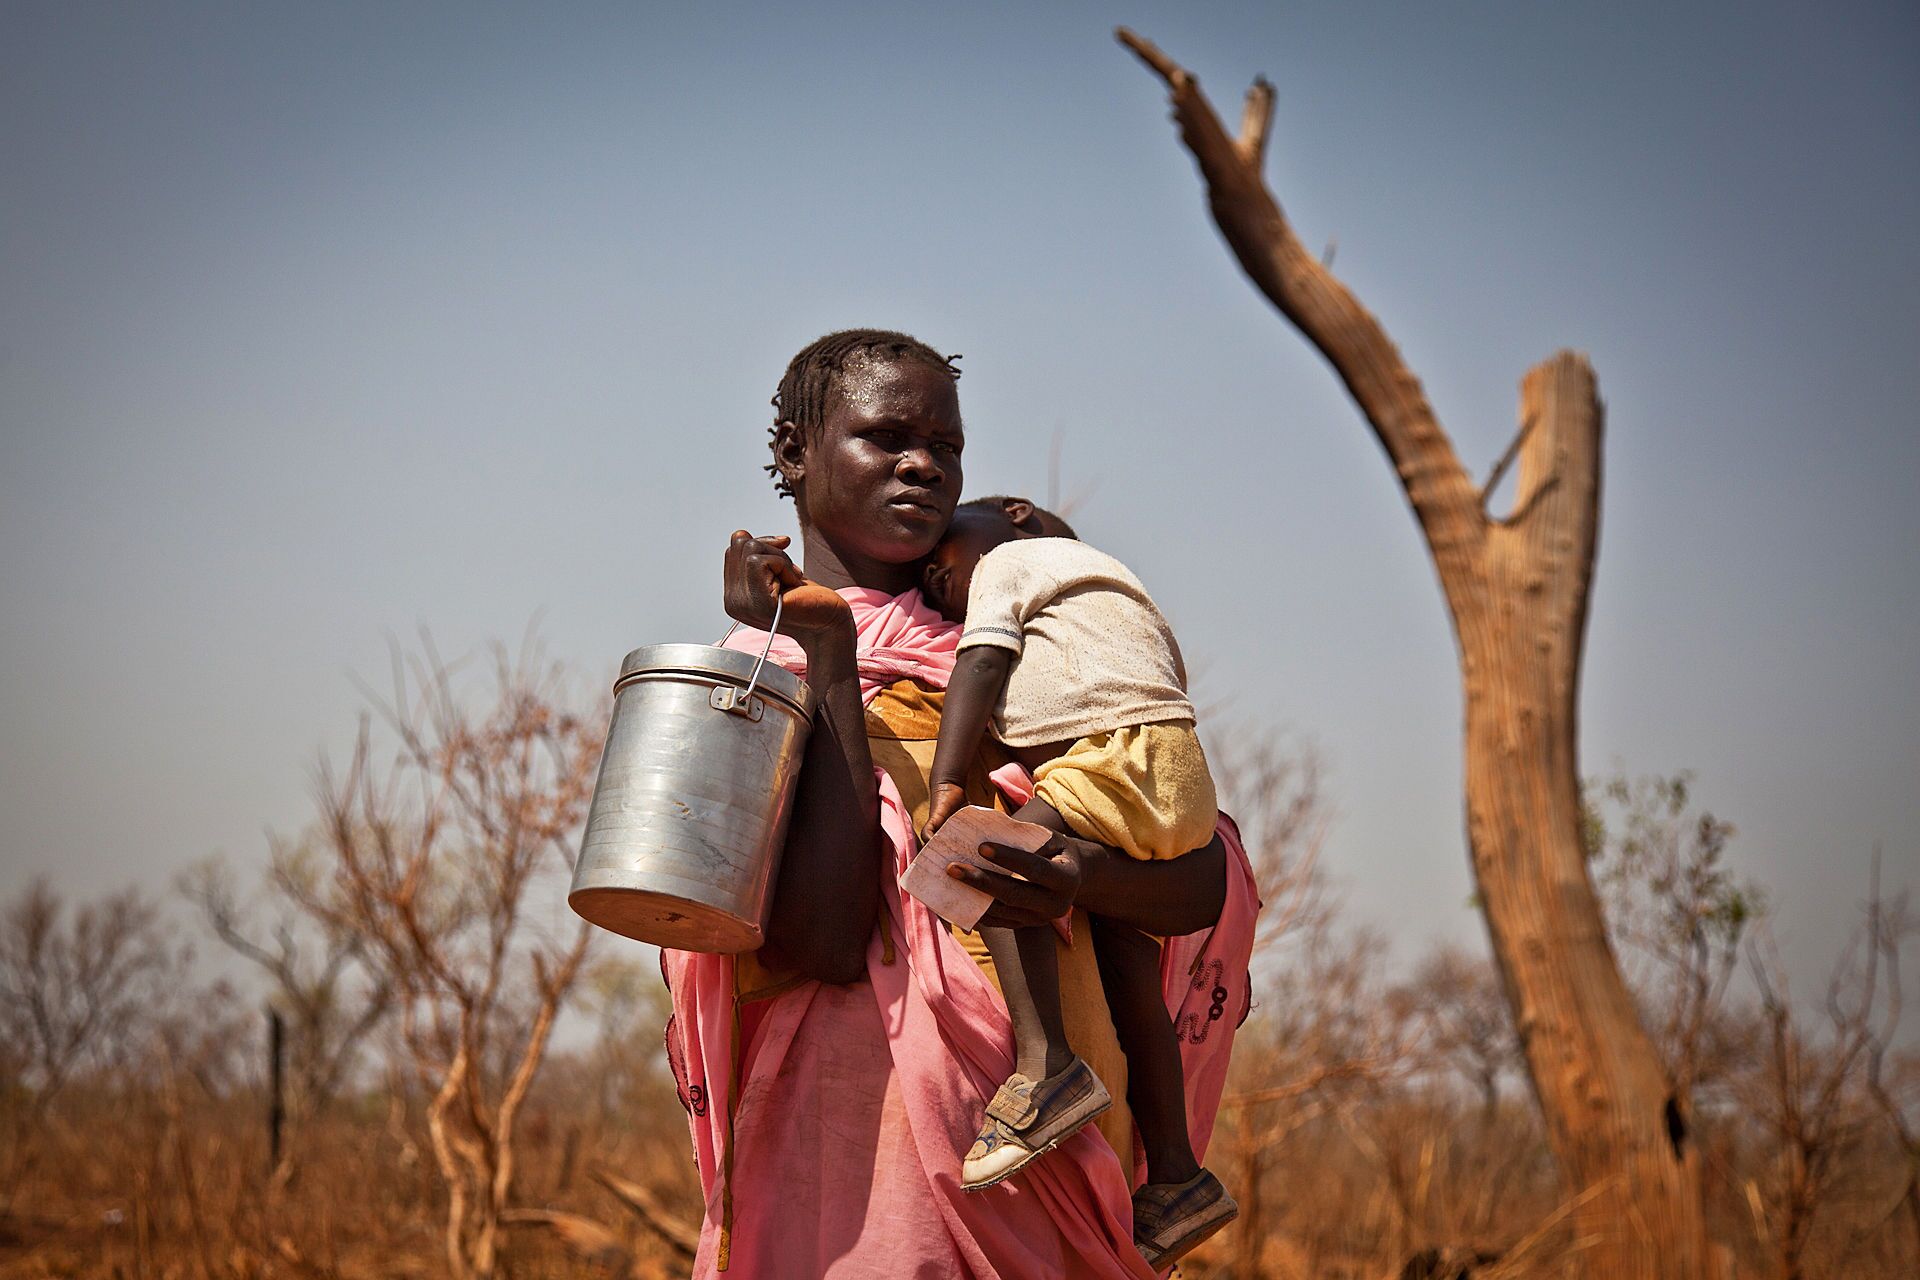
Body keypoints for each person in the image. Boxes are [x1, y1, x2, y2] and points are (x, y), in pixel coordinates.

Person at [661, 328, 1260, 1278]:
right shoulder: (750, 686)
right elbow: (819, 941)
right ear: (794, 455)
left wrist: (1074, 872)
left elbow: (1192, 884)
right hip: (860, 1169)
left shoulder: (1034, 649)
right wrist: (827, 656)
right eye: (885, 436)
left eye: (946, 446)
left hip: (1058, 1150)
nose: (923, 465)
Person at [919, 495, 1238, 1265]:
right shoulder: (1113, 588)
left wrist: (946, 785)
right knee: (1130, 970)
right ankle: (1177, 1173)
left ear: (1017, 515)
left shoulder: (1012, 561)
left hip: (1113, 759)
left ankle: (1046, 1068)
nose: (941, 586)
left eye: (943, 572)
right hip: (1177, 775)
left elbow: (983, 661)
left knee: (988, 857)